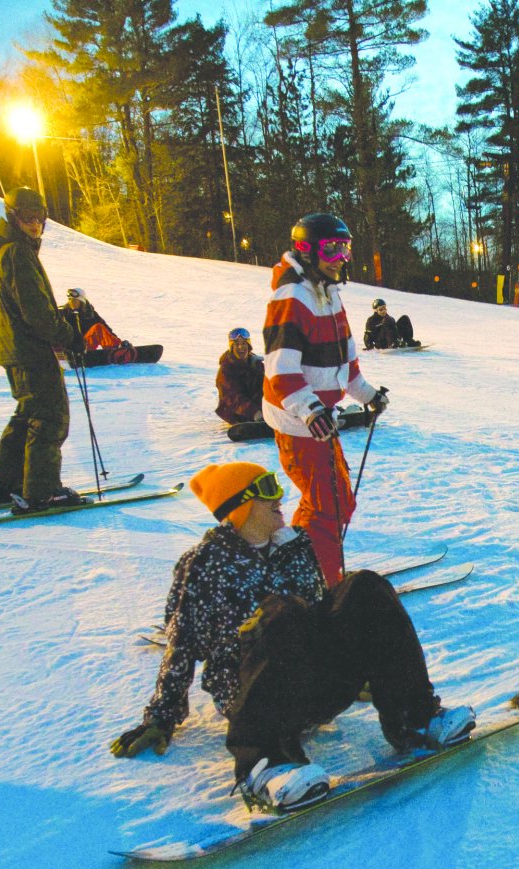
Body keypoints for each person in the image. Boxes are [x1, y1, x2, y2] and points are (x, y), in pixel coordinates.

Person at [109, 461, 474, 809]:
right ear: (240, 506)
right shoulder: (205, 563)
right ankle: (265, 764)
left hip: (313, 689)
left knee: (364, 586)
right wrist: (161, 716)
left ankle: (416, 717)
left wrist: (369, 669)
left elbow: (321, 618)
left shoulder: (294, 548)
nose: (280, 499)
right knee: (280, 610)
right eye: (267, 491)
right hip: (253, 698)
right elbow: (182, 642)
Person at [260, 212, 388, 586]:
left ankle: (297, 565)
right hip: (297, 422)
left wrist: (367, 395)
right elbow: (280, 370)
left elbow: (346, 362)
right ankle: (321, 579)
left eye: (345, 248)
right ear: (307, 250)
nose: (341, 257)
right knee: (328, 506)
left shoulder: (329, 294)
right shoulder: (292, 296)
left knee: (338, 503)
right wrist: (310, 409)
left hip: (318, 419)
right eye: (332, 248)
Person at [0, 186, 85, 512]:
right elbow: (36, 313)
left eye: (40, 218)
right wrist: (68, 335)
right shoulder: (19, 254)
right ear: (12, 217)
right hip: (31, 351)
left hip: (17, 350)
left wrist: (60, 320)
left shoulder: (10, 253)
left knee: (28, 415)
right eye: (28, 218)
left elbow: (32, 306)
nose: (35, 225)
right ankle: (42, 491)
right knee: (50, 418)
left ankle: (6, 485)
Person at [216, 326, 264, 427]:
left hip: (260, 409)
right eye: (236, 344)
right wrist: (254, 412)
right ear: (232, 347)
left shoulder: (256, 364)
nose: (241, 347)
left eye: (243, 344)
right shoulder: (226, 369)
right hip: (236, 413)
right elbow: (232, 397)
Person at [62, 287, 129, 354]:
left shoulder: (90, 313)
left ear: (81, 301)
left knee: (98, 328)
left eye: (74, 300)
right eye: (70, 300)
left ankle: (118, 350)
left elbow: (105, 330)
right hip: (70, 348)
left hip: (86, 345)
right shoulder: (64, 313)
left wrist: (117, 341)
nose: (71, 302)